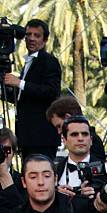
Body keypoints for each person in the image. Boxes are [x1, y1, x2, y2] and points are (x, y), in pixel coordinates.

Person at [3, 19, 61, 159]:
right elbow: (23, 97)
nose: (31, 38)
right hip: (27, 136)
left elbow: (52, 92)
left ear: (45, 39)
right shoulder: (29, 62)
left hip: (42, 137)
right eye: (28, 34)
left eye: (37, 35)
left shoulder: (49, 61)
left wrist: (19, 83)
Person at [46, 95, 105, 160]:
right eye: (74, 135)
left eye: (59, 126)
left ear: (67, 117)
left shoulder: (94, 144)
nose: (59, 131)